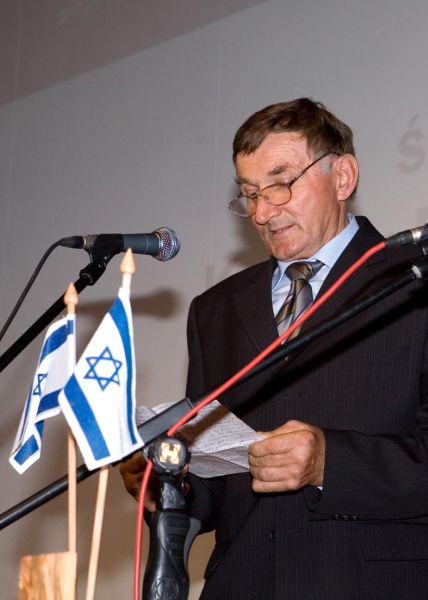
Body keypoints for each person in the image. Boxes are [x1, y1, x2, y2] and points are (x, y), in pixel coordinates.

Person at [121, 98, 428, 599]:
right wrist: (168, 484)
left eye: (281, 183)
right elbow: (216, 487)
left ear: (343, 177)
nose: (262, 213)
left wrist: (331, 462)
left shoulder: (415, 280)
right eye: (250, 194)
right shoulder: (215, 309)